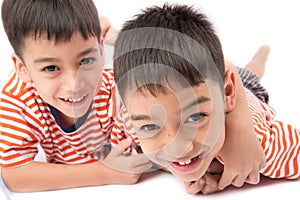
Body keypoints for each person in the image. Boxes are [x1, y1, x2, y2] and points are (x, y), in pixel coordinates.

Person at [111, 4, 300, 195]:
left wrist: (244, 169)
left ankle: (262, 55)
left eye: (195, 117)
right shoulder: (134, 118)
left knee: (252, 73)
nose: (178, 148)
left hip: (249, 95)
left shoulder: (263, 143)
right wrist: (186, 170)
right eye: (151, 127)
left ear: (228, 93)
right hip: (215, 82)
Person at [0, 0, 152, 192]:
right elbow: (14, 173)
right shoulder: (18, 100)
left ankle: (108, 33)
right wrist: (104, 172)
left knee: (141, 54)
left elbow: (159, 138)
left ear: (101, 50)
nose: (74, 85)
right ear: (22, 69)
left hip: (115, 60)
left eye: (85, 60)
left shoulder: (116, 86)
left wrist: (192, 168)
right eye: (51, 68)